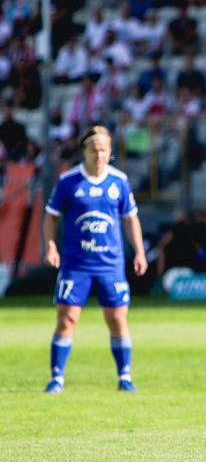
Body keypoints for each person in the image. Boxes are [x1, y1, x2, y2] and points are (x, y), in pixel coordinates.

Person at [43, 126, 148, 394]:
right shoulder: (68, 181)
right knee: (67, 319)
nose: (99, 155)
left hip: (110, 264)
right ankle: (57, 379)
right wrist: (51, 246)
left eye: (104, 150)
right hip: (75, 264)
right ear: (84, 152)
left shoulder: (119, 181)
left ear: (110, 152)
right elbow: (51, 215)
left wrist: (139, 251)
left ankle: (125, 378)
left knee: (117, 319)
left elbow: (130, 218)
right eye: (94, 150)